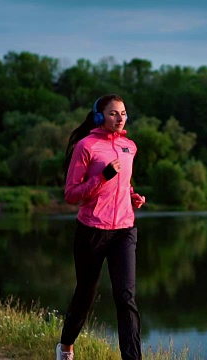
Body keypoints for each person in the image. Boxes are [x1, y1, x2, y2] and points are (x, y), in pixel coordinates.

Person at [56, 94, 146, 360]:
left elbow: (124, 181)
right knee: (85, 294)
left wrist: (132, 195)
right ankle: (65, 347)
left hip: (124, 230)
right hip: (92, 230)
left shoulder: (130, 146)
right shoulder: (86, 146)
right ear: (99, 116)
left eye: (124, 113)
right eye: (113, 113)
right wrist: (101, 176)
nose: (120, 118)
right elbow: (72, 194)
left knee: (126, 297)